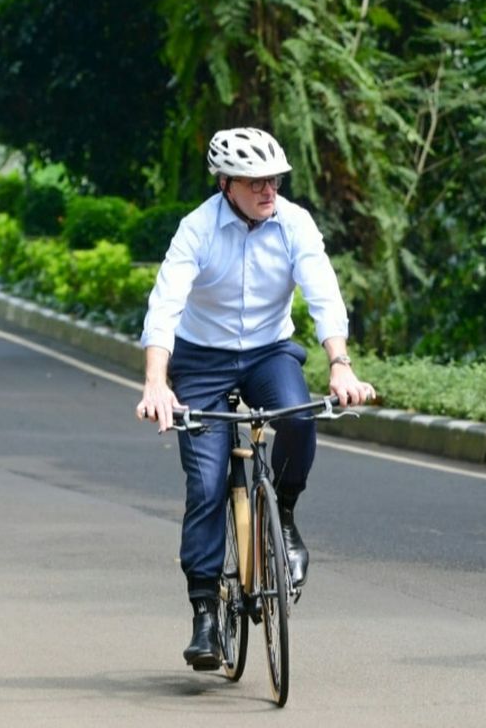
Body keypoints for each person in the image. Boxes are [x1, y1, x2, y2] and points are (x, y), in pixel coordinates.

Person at [135, 126, 376, 671]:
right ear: (226, 185)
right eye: (255, 183)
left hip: (270, 352)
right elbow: (165, 305)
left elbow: (322, 293)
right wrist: (157, 381)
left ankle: (283, 517)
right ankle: (203, 615)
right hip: (201, 360)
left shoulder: (294, 223)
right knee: (204, 483)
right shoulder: (196, 229)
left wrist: (341, 365)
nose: (269, 191)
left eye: (274, 180)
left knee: (298, 419)